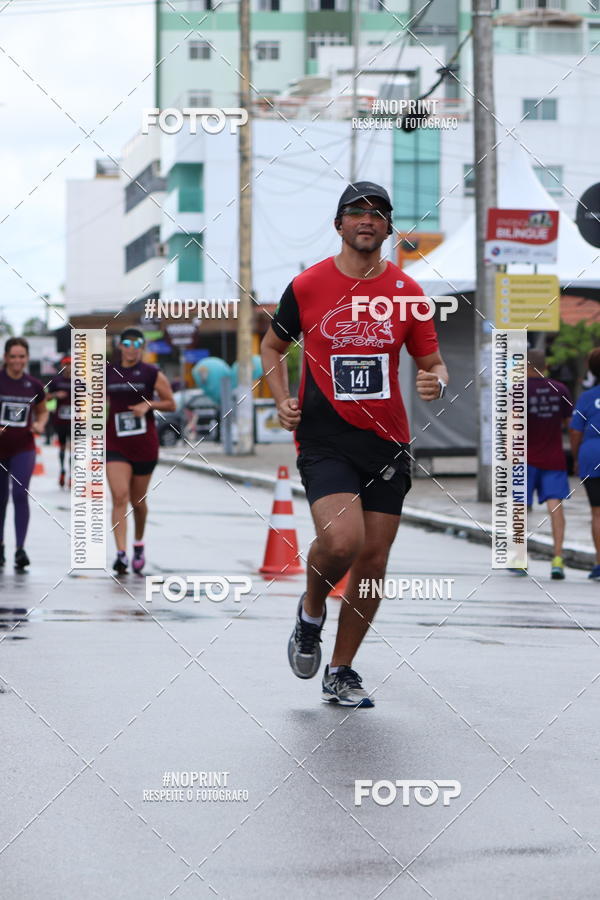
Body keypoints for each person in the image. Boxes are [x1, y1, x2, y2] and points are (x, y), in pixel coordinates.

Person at [261, 181, 448, 709]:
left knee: (372, 561)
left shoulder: (408, 293)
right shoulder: (308, 285)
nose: (367, 220)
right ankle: (311, 611)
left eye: (378, 213)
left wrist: (437, 378)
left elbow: (432, 361)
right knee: (341, 542)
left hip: (386, 442)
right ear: (339, 224)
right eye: (356, 212)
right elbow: (273, 344)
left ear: (389, 229)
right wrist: (280, 398)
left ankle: (340, 670)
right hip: (325, 437)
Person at [106, 329, 175, 574]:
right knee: (119, 496)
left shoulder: (151, 373)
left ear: (142, 347)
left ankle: (138, 543)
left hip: (144, 444)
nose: (131, 348)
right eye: (127, 343)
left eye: (136, 344)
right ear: (120, 346)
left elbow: (171, 402)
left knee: (138, 502)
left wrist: (149, 404)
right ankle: (121, 554)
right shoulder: (107, 372)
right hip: (115, 444)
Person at [519, 348, 572, 580]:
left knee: (520, 508)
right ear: (546, 367)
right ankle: (557, 559)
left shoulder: (517, 391)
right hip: (554, 459)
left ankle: (519, 559)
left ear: (524, 367)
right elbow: (569, 423)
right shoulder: (560, 390)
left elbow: (511, 426)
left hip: (525, 459)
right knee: (555, 507)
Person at [0, 337, 48, 569]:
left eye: (21, 356)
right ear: (5, 358)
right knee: (0, 499)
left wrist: (40, 424)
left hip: (24, 448)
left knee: (20, 494)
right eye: (13, 356)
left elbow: (42, 411)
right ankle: (0, 546)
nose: (17, 361)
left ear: (27, 358)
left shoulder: (34, 385)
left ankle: (20, 549)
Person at [570, 348, 600, 580]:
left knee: (597, 513)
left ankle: (599, 563)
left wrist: (577, 458)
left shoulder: (587, 397)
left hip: (592, 455)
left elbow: (575, 431)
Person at [46, 356, 72, 488]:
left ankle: (72, 475)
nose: (69, 367)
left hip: (75, 421)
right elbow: (46, 397)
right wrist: (56, 395)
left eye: (71, 364)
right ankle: (62, 471)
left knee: (73, 448)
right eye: (66, 364)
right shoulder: (56, 381)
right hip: (60, 420)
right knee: (62, 447)